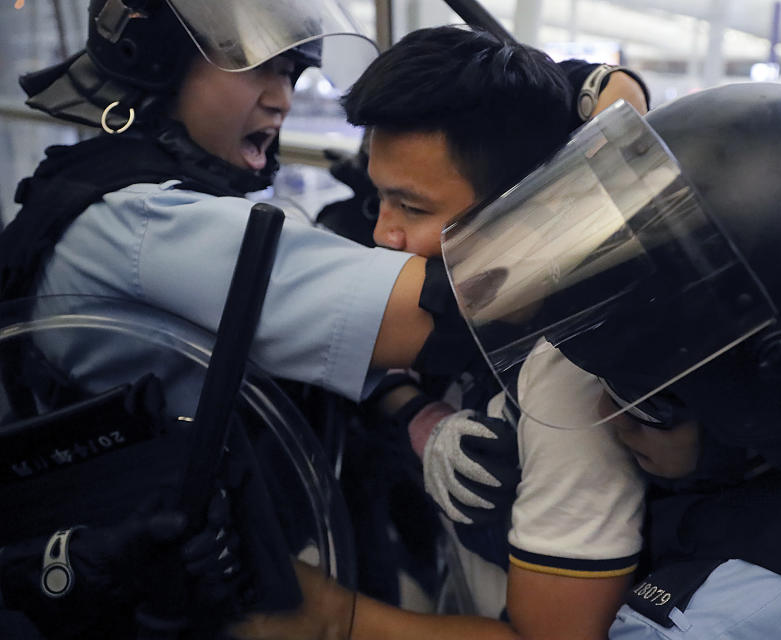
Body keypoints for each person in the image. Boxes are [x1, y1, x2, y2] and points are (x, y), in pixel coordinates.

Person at [0, 0, 481, 636]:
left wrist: (411, 412)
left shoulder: (106, 192)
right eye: (257, 71)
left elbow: (304, 346)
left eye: (290, 73)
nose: (282, 101)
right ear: (162, 64)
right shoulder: (148, 226)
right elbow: (439, 312)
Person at [436, 84, 781, 639]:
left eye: (650, 405)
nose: (605, 412)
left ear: (768, 420)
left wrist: (341, 618)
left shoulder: (713, 624)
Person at [229, 26, 668, 640]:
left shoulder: (569, 372)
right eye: (380, 198)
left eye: (412, 209)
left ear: (523, 210)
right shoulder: (471, 297)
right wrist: (422, 416)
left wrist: (330, 616)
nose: (383, 235)